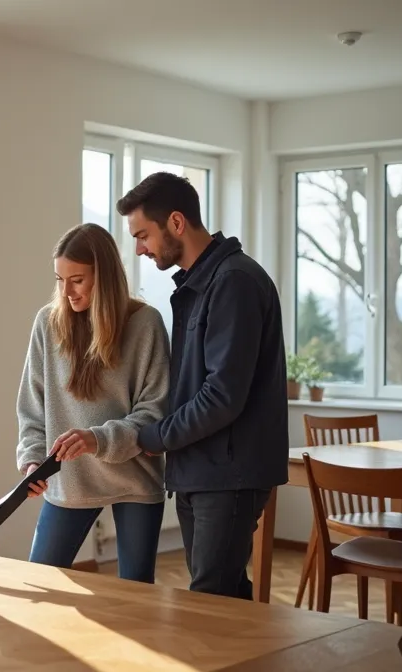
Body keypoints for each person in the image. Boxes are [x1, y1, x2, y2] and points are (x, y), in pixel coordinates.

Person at [117, 172, 288, 600]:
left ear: (176, 223)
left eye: (143, 235)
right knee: (223, 598)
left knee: (211, 602)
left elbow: (222, 396)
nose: (139, 248)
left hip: (228, 475)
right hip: (201, 471)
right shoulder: (200, 285)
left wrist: (155, 436)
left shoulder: (234, 282)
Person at [15, 223, 171, 584]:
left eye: (78, 280)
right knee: (41, 581)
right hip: (68, 477)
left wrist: (97, 438)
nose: (66, 291)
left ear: (105, 275)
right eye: (60, 279)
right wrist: (33, 458)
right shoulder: (48, 323)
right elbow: (32, 407)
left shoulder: (146, 323)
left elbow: (154, 411)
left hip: (135, 478)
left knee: (135, 597)